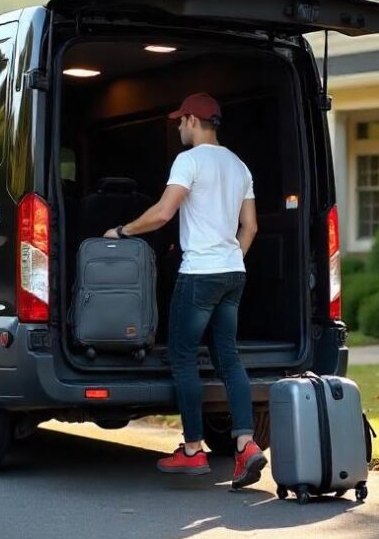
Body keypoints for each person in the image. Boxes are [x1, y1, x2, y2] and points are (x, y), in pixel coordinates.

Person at [103, 92, 266, 489]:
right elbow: (251, 227)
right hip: (232, 272)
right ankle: (246, 443)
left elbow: (163, 213)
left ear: (194, 120)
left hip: (199, 275)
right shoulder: (239, 165)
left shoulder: (189, 161)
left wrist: (121, 231)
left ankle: (192, 450)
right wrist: (233, 259)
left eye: (180, 120)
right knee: (228, 356)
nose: (178, 127)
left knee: (182, 356)